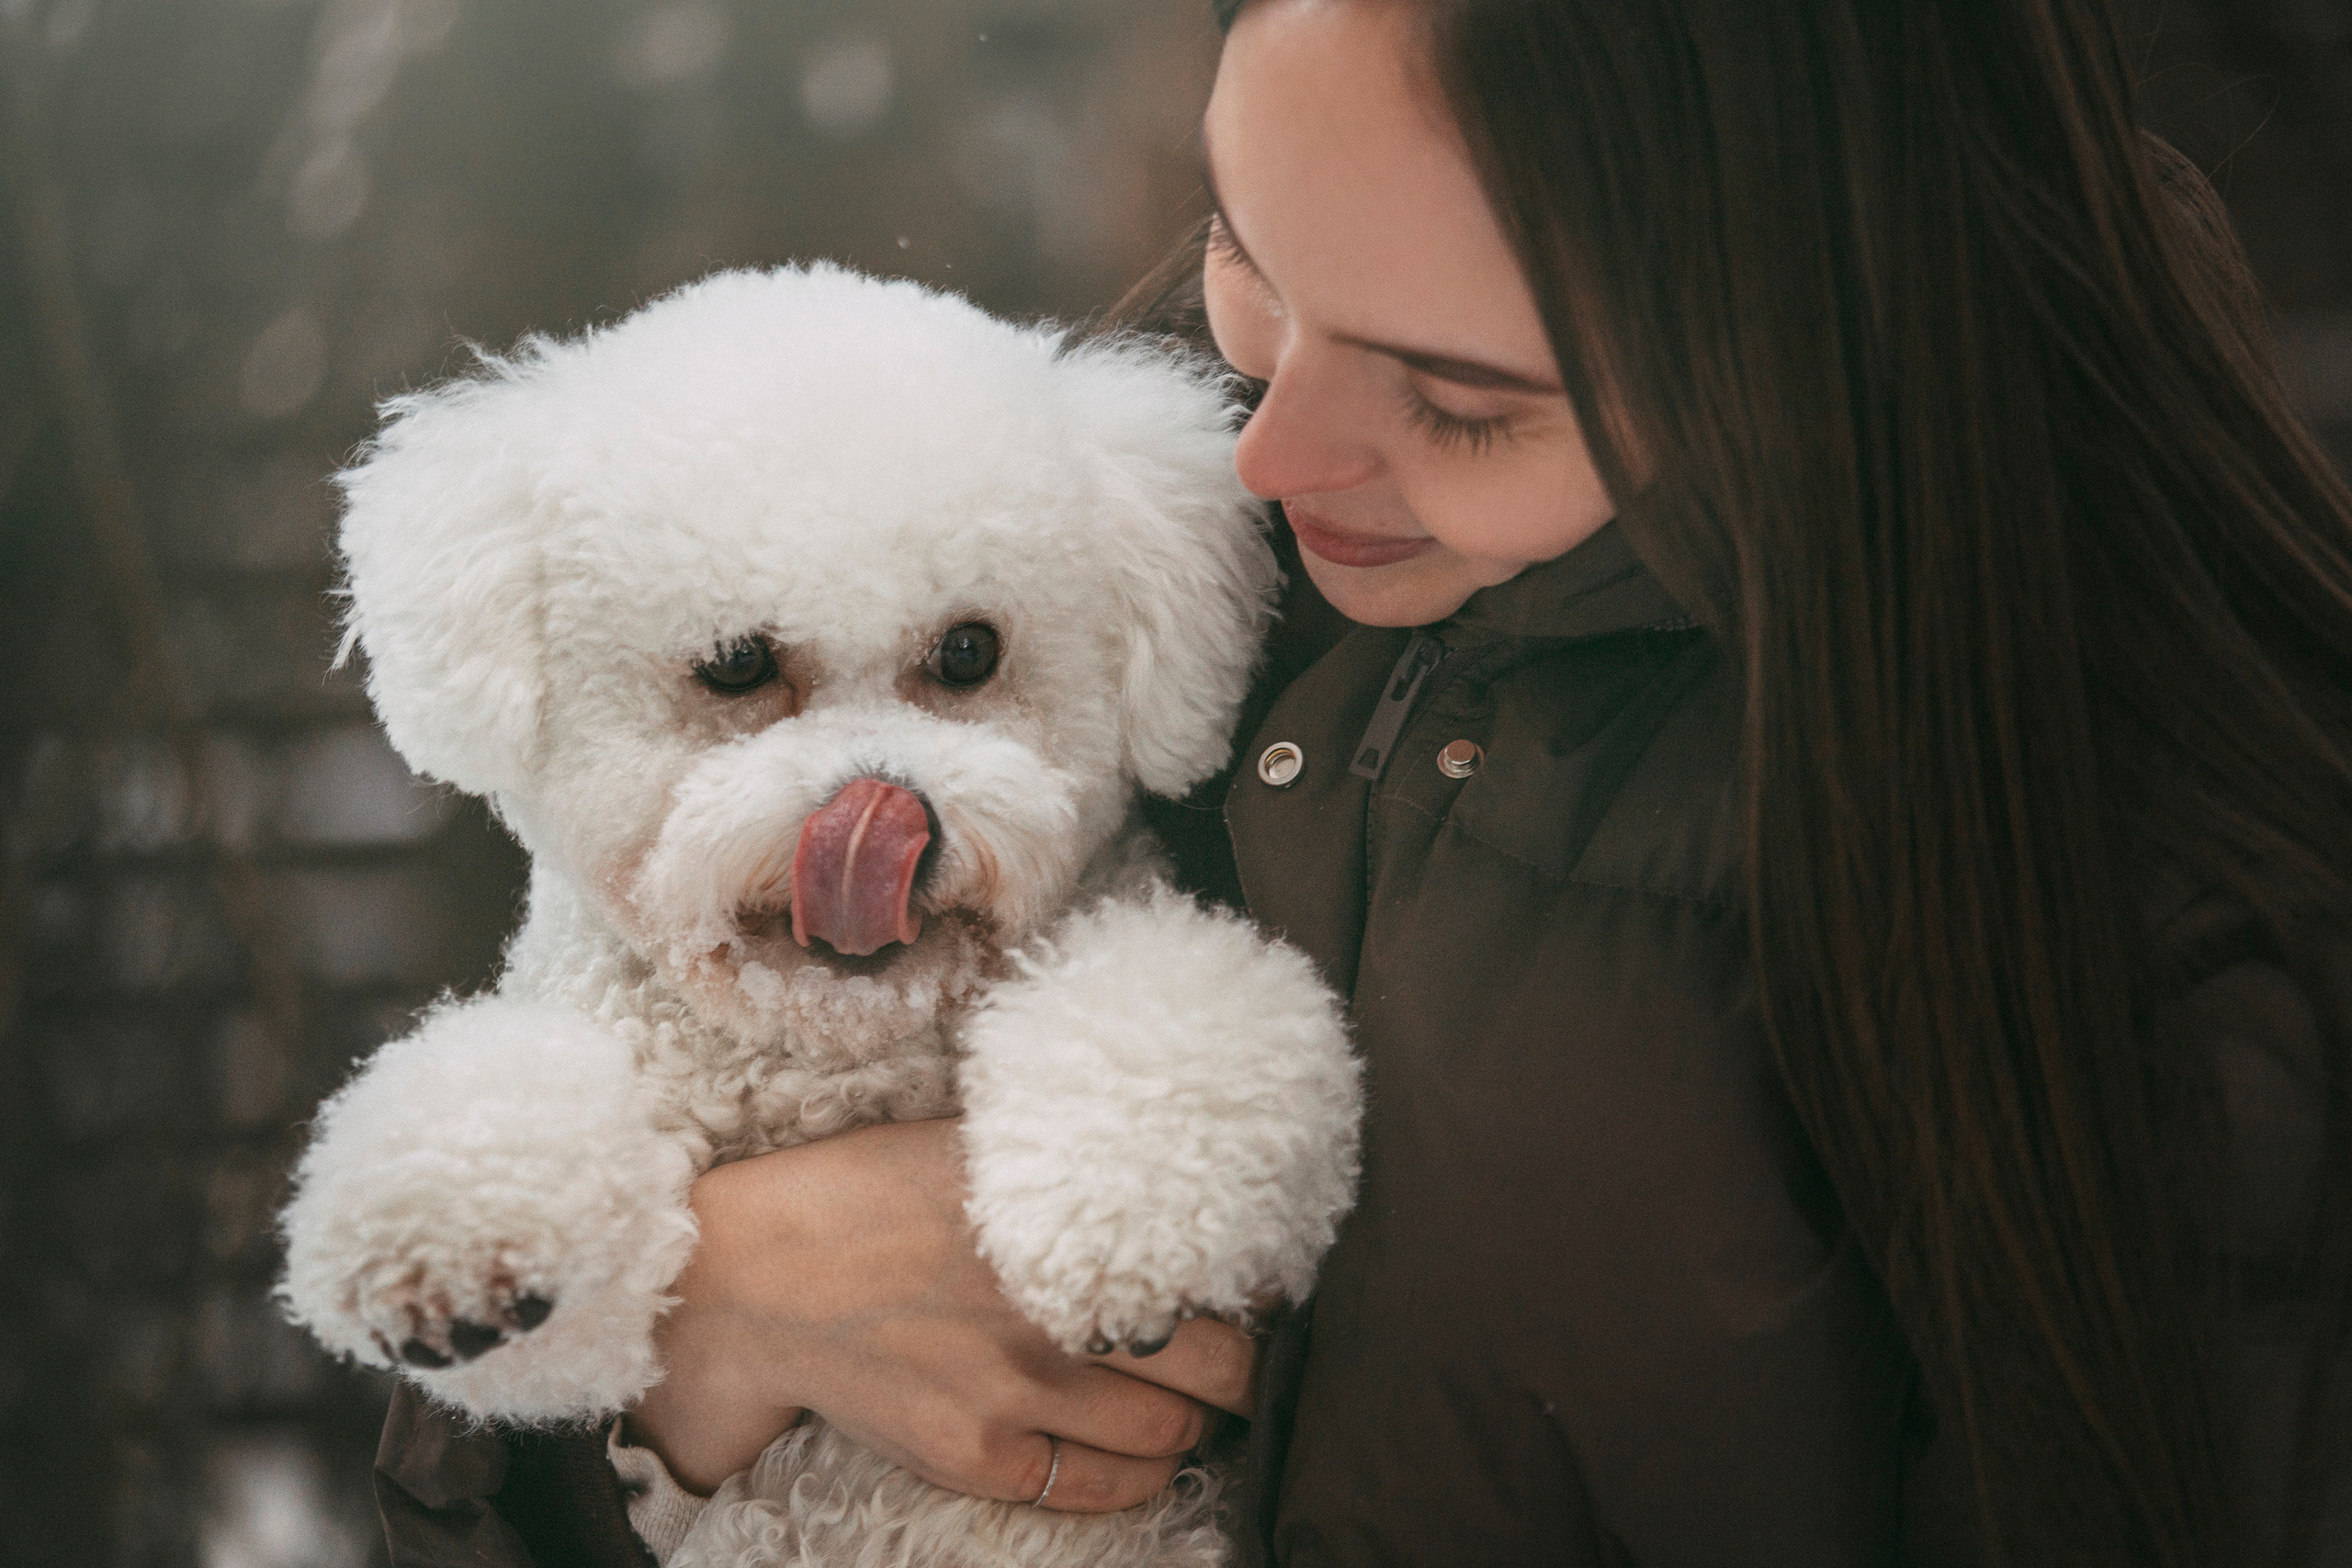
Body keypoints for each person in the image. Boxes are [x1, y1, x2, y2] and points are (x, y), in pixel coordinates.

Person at [373, 1, 2352, 1563]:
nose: (1267, 451)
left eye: (1460, 401)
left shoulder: (2155, 915)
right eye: (1249, 245)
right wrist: (702, 1327)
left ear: (1799, 328)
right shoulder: (1093, 551)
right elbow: (502, 1288)